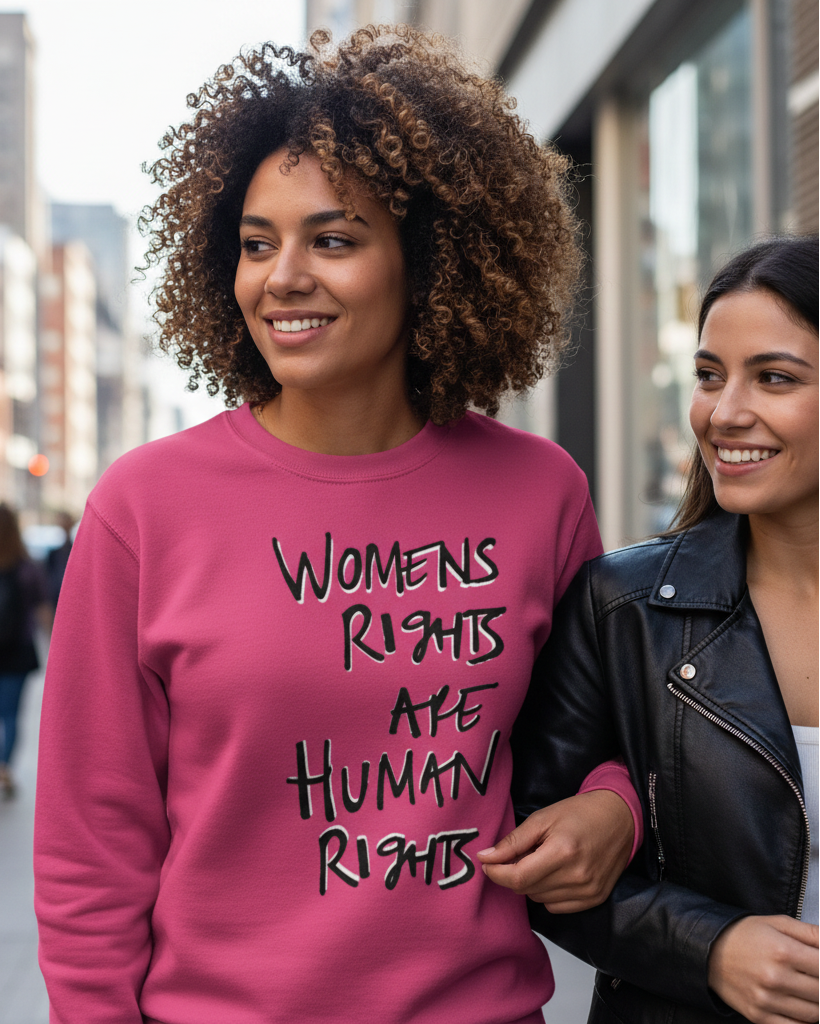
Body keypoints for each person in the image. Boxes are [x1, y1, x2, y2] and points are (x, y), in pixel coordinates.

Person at [34, 26, 641, 1024]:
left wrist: (613, 805)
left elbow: (608, 734)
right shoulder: (145, 508)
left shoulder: (541, 491)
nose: (282, 278)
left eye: (333, 239)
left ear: (429, 260)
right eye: (257, 243)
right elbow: (92, 843)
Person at [508, 235, 819, 1024]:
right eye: (709, 376)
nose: (724, 412)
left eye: (774, 378)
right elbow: (540, 865)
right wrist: (708, 948)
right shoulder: (626, 606)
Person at [0, 503, 48, 799]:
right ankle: (4, 767)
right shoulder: (28, 568)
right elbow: (42, 610)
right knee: (11, 715)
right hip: (18, 651)